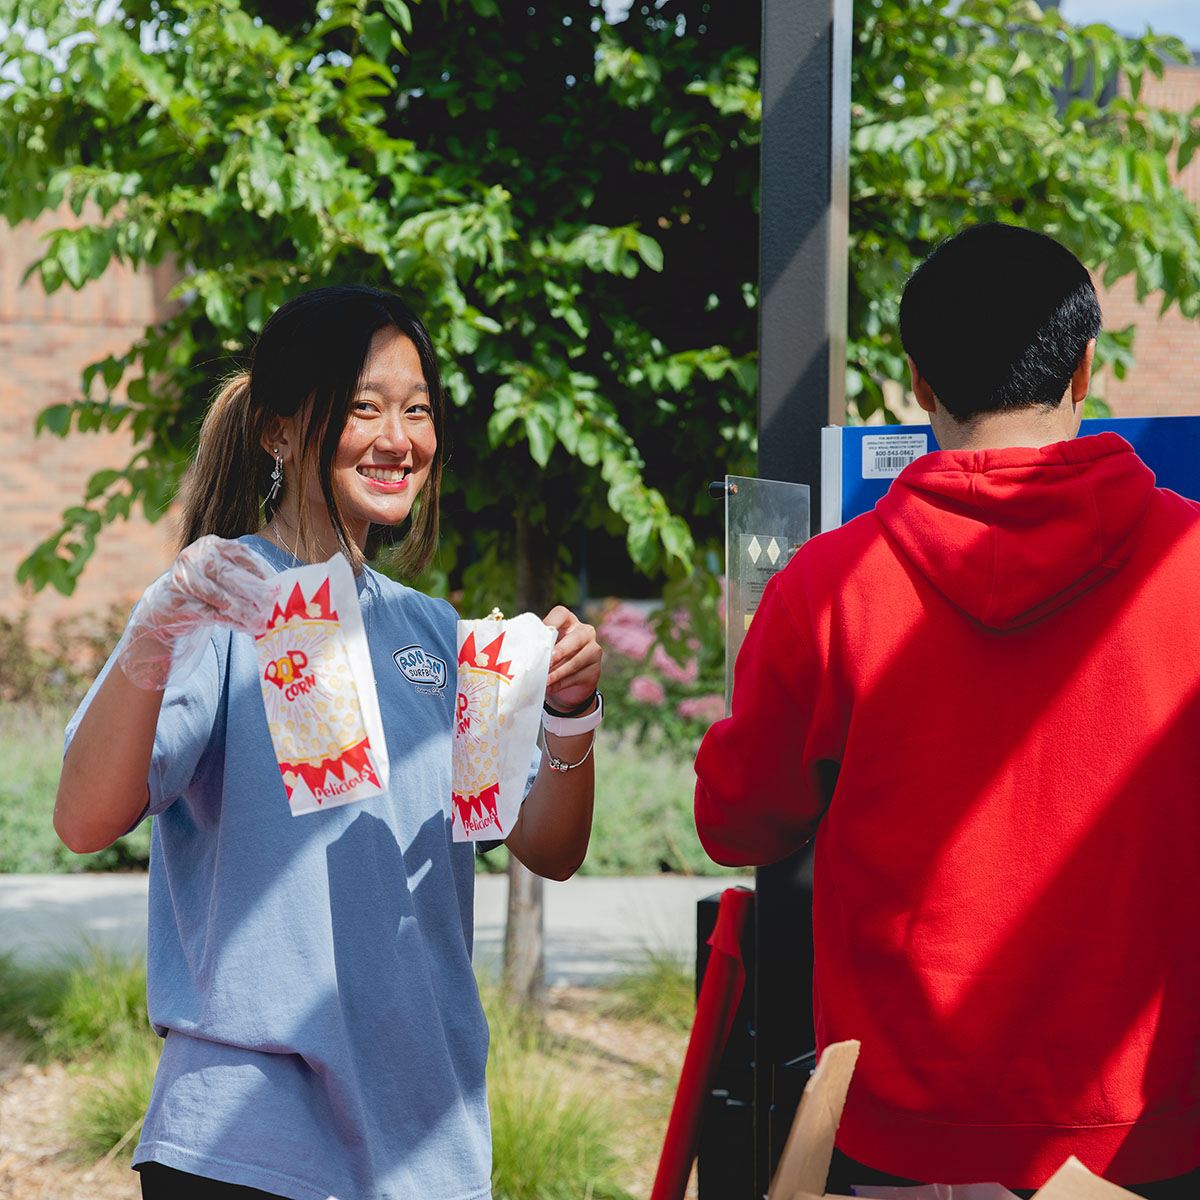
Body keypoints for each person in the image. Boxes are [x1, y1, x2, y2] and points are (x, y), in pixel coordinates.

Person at [55, 285, 604, 1200]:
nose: (399, 438)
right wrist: (159, 624)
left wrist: (569, 716)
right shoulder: (218, 602)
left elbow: (546, 847)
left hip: (422, 1134)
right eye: (363, 407)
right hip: (245, 1136)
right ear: (279, 430)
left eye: (418, 409)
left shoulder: (439, 635)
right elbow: (83, 818)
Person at [693, 224, 1200, 1194]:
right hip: (1149, 1137)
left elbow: (734, 818)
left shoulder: (829, 587)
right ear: (1087, 368)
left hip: (904, 1137)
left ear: (918, 383)